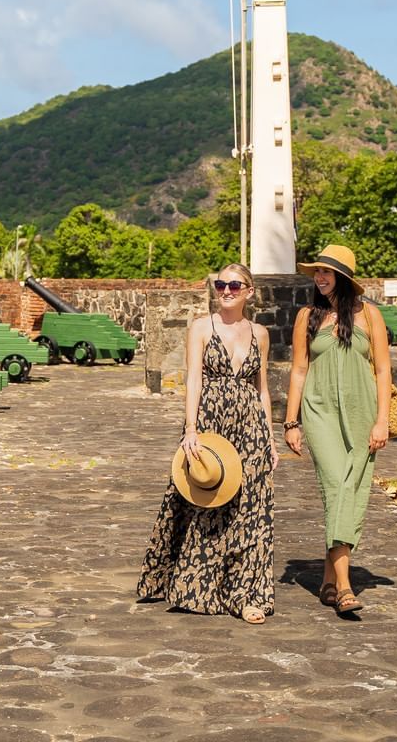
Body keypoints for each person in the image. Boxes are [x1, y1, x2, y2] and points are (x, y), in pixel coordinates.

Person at [136, 262, 279, 623]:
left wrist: (270, 438)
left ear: (249, 291)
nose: (226, 291)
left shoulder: (259, 333)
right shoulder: (201, 327)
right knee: (204, 504)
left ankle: (247, 595)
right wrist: (190, 429)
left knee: (251, 512)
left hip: (250, 429)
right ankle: (197, 586)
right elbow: (194, 382)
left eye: (234, 285)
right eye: (220, 285)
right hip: (211, 425)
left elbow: (261, 389)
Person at [282, 244, 391, 616]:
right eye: (317, 272)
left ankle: (329, 580)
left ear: (343, 278)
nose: (320, 277)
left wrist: (382, 420)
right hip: (319, 411)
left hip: (363, 413)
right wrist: (291, 421)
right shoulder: (307, 316)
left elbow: (382, 370)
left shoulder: (369, 315)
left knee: (350, 488)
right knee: (337, 484)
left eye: (327, 272)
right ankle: (345, 586)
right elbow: (298, 370)